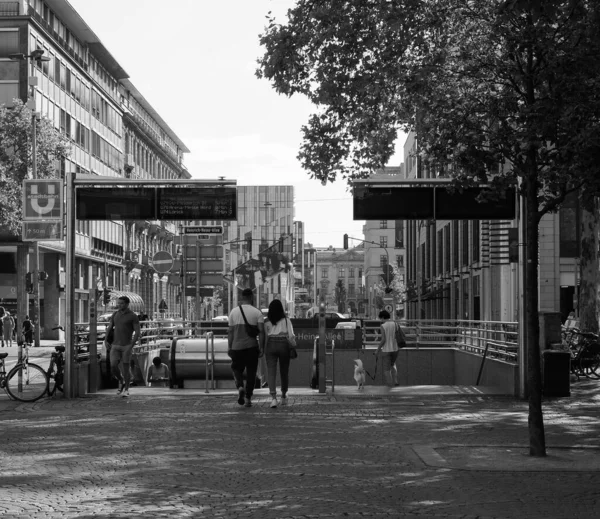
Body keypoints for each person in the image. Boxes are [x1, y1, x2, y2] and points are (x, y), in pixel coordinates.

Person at [227, 288, 265, 407]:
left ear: (242, 298)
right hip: (251, 347)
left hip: (236, 347)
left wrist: (229, 347)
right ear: (251, 297)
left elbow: (230, 332)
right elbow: (261, 332)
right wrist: (262, 347)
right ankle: (248, 398)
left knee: (236, 369)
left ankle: (239, 386)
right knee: (251, 373)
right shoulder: (257, 313)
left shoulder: (233, 312)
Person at [105, 296, 141, 398]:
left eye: (121, 303)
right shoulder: (115, 314)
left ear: (127, 304)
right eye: (118, 303)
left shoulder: (133, 316)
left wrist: (132, 345)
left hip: (127, 346)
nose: (119, 305)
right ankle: (121, 380)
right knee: (113, 366)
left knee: (126, 367)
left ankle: (126, 389)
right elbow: (110, 327)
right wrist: (105, 340)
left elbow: (137, 331)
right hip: (115, 345)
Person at [264, 299, 295, 408]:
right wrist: (294, 345)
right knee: (284, 371)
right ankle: (283, 396)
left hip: (271, 345)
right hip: (283, 345)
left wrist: (264, 349)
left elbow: (265, 336)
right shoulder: (287, 320)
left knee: (271, 372)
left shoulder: (267, 321)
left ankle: (273, 399)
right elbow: (291, 336)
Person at [374, 310, 400, 387]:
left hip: (386, 350)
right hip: (395, 349)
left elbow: (383, 340)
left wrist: (377, 350)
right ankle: (395, 381)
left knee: (386, 368)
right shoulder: (395, 324)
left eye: (380, 318)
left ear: (382, 317)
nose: (380, 320)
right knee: (393, 364)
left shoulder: (383, 326)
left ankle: (389, 384)